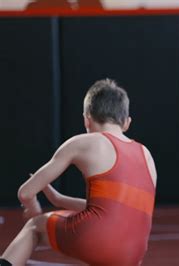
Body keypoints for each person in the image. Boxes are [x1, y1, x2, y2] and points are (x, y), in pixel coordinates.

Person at [0, 79, 157, 265]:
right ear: (126, 123)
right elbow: (116, 210)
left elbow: (25, 193)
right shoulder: (146, 154)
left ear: (86, 119)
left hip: (96, 239)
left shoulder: (82, 143)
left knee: (35, 227)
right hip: (134, 253)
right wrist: (58, 199)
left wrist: (34, 210)